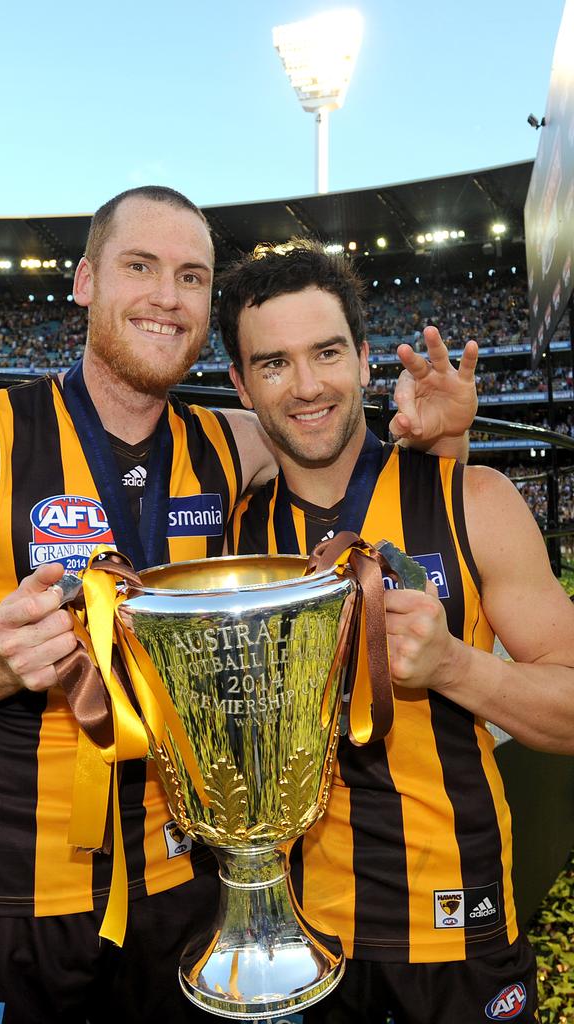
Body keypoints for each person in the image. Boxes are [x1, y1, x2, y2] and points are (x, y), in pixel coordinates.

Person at [0, 188, 475, 1024]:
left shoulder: (232, 442)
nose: (166, 297)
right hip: (8, 888)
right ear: (84, 281)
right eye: (140, 267)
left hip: (191, 879)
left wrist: (443, 437)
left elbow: (337, 441)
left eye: (192, 276)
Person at [219, 238, 574, 1024]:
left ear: (367, 358)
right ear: (242, 385)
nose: (307, 386)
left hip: (457, 928)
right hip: (291, 938)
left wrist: (455, 667)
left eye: (327, 353)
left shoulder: (471, 497)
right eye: (273, 364)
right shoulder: (236, 534)